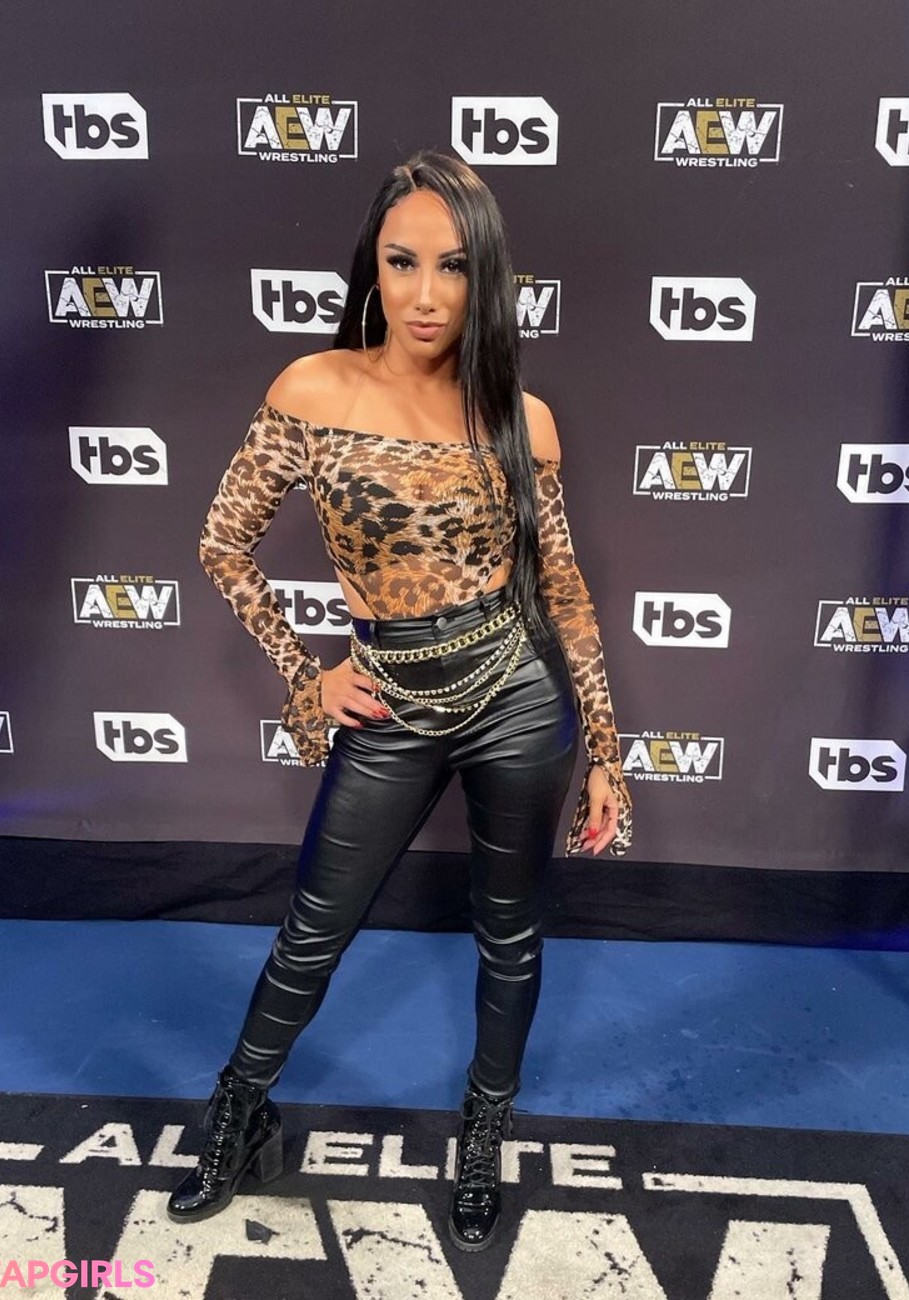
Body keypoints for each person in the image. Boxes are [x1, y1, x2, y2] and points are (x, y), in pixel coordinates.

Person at [167, 148, 633, 1250]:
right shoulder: (314, 389)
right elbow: (222, 543)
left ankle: (483, 1132)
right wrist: (306, 675)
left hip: (517, 693)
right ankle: (240, 1112)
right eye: (403, 261)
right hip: (388, 701)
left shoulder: (523, 416)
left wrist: (608, 749)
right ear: (372, 267)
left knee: (509, 935)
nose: (427, 293)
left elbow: (562, 585)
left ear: (486, 278)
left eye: (454, 266)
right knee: (313, 930)